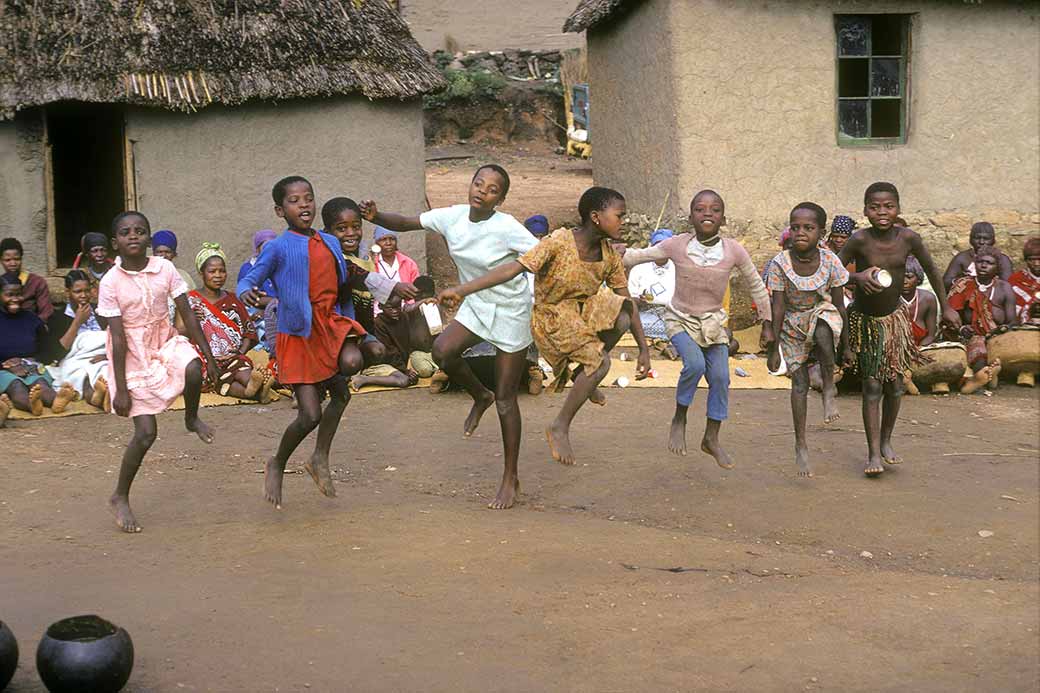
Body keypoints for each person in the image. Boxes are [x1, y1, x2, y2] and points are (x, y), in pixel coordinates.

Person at [360, 164, 537, 510]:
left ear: (500, 199)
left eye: (491, 189)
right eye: (478, 183)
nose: (481, 191)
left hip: (512, 310)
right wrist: (376, 215)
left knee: (506, 399)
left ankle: (509, 476)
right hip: (476, 305)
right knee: (443, 351)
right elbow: (407, 222)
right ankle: (478, 395)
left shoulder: (508, 228)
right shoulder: (452, 217)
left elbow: (539, 256)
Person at [439, 186, 651, 467]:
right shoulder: (559, 242)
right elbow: (512, 269)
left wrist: (644, 350)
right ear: (596, 217)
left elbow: (628, 303)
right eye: (619, 216)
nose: (622, 222)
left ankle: (581, 374)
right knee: (601, 364)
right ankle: (560, 425)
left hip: (580, 315)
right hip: (549, 317)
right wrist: (463, 289)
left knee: (625, 310)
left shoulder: (609, 255)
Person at [239, 176, 414, 509]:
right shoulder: (278, 246)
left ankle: (319, 457)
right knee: (309, 416)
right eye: (294, 200)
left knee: (353, 368)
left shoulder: (329, 242)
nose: (303, 204)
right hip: (299, 332)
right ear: (280, 210)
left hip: (331, 325)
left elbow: (352, 274)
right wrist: (247, 289)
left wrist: (392, 288)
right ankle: (277, 461)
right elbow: (252, 275)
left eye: (308, 198)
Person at [623, 190, 774, 468]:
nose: (707, 214)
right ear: (690, 217)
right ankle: (680, 416)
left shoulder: (733, 250)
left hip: (713, 324)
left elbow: (755, 285)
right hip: (680, 318)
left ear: (723, 218)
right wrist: (612, 253)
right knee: (693, 364)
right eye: (700, 209)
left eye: (714, 210)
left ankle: (711, 438)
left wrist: (767, 323)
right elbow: (638, 256)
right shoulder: (677, 245)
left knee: (720, 377)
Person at [96, 211, 221, 532]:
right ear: (115, 243)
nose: (133, 236)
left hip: (162, 338)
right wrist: (121, 388)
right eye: (125, 232)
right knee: (146, 433)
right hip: (131, 353)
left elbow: (187, 315)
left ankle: (191, 418)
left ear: (149, 238)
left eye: (140, 231)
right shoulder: (110, 282)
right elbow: (118, 337)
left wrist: (209, 355)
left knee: (193, 368)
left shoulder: (164, 269)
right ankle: (120, 496)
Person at [839, 182, 959, 476]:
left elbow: (932, 270)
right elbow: (833, 272)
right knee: (872, 386)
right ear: (866, 209)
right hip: (865, 323)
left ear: (899, 209)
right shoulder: (858, 240)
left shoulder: (909, 239)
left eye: (888, 206)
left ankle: (887, 441)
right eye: (875, 206)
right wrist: (857, 277)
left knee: (894, 386)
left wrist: (948, 308)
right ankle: (872, 454)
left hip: (895, 321)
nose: (882, 212)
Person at [766, 203, 849, 478]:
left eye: (809, 228)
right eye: (796, 227)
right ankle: (800, 443)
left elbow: (839, 305)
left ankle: (828, 387)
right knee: (799, 383)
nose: (801, 233)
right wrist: (774, 347)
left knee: (824, 328)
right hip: (791, 323)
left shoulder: (830, 261)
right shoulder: (780, 263)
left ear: (821, 233)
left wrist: (845, 346)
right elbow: (777, 307)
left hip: (821, 312)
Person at [181, 243, 274, 402]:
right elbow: (178, 334)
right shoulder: (190, 300)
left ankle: (252, 385)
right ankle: (257, 390)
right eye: (212, 271)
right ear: (201, 273)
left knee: (239, 367)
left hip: (233, 356)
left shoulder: (233, 300)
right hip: (205, 359)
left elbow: (248, 331)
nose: (218, 275)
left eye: (222, 271)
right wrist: (192, 321)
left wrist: (240, 352)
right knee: (217, 378)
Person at [322, 196, 387, 369]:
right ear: (328, 232)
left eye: (356, 227)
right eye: (342, 228)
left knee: (378, 351)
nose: (351, 233)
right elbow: (352, 272)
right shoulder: (329, 257)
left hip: (360, 327)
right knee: (351, 362)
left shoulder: (364, 254)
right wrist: (394, 288)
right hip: (335, 329)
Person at [947, 246, 1017, 393]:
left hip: (997, 336)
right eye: (980, 262)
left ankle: (984, 376)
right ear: (975, 264)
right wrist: (962, 329)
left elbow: (1012, 321)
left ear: (997, 267)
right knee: (978, 345)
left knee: (1000, 347)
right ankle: (984, 375)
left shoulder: (1004, 288)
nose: (984, 265)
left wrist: (1001, 330)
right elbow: (949, 318)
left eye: (989, 263)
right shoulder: (963, 285)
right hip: (970, 337)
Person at [349, 280, 441, 391]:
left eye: (397, 307)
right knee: (403, 380)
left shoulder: (403, 318)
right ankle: (363, 379)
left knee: (410, 379)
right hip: (380, 364)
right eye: (390, 308)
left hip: (395, 364)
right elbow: (389, 351)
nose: (394, 311)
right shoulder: (378, 323)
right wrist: (404, 370)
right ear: (381, 306)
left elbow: (409, 310)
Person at [0, 273, 66, 424]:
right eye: (9, 295)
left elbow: (47, 350)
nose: (15, 299)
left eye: (18, 294)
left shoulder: (31, 319)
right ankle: (32, 406)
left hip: (30, 366)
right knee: (16, 386)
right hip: (3, 370)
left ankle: (57, 401)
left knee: (41, 384)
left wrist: (29, 363)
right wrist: (9, 367)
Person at [44, 269, 110, 410]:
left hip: (102, 356)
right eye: (78, 291)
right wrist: (77, 322)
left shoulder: (100, 311)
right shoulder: (58, 317)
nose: (84, 296)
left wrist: (107, 355)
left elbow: (113, 337)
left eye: (87, 291)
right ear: (68, 293)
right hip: (74, 359)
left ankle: (102, 396)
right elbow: (56, 354)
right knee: (83, 374)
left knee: (103, 370)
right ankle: (97, 397)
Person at [627, 228, 676, 350]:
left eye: (664, 246)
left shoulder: (679, 269)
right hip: (645, 313)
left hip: (671, 314)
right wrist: (639, 300)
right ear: (651, 247)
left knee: (683, 328)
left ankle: (665, 341)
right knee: (629, 325)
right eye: (657, 246)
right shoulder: (638, 269)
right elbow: (629, 299)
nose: (660, 250)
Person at [236, 229, 278, 347]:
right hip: (257, 311)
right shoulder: (249, 268)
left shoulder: (282, 265)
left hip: (277, 309)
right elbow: (251, 299)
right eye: (265, 247)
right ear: (257, 249)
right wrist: (273, 303)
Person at [942, 221, 1013, 290]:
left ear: (993, 240)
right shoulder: (962, 258)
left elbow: (1008, 285)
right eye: (977, 238)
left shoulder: (1002, 259)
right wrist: (961, 280)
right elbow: (945, 283)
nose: (981, 242)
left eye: (986, 239)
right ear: (970, 240)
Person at [1, 237, 53, 321]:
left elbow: (46, 313)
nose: (13, 263)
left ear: (21, 258)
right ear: (1, 261)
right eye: (7, 260)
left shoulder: (37, 282)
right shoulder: (1, 283)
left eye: (17, 259)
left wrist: (32, 327)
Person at [151, 230, 197, 325]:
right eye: (159, 252)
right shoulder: (147, 275)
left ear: (174, 254)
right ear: (153, 253)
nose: (163, 255)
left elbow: (193, 303)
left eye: (167, 252)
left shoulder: (183, 277)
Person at [902, 257, 939, 348]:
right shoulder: (891, 300)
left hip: (922, 349)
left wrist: (919, 350)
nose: (904, 282)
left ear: (918, 279)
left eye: (909, 277)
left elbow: (931, 335)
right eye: (900, 277)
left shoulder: (928, 299)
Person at [371, 226, 420, 292]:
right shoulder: (371, 263)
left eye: (392, 239)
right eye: (383, 239)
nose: (388, 243)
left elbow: (416, 289)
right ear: (377, 243)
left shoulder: (408, 263)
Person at [1008, 237, 1040, 324]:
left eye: (1039, 259)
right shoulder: (1016, 280)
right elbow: (1012, 310)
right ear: (1026, 260)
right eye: (1032, 260)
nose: (1036, 264)